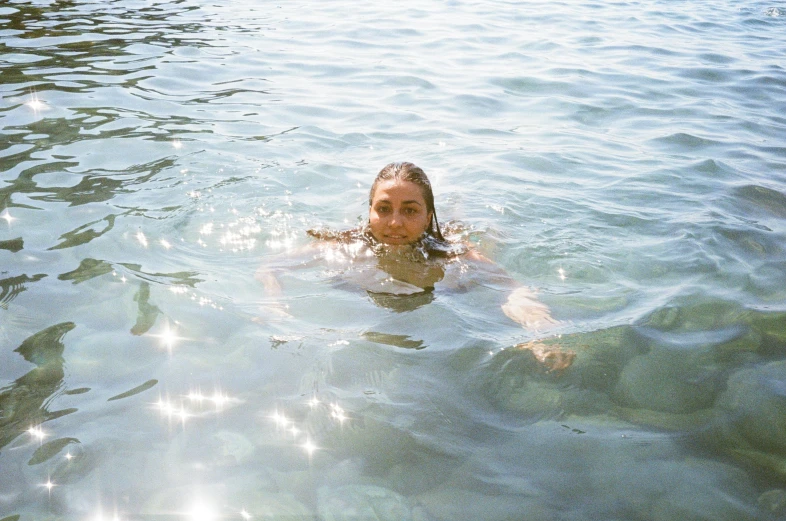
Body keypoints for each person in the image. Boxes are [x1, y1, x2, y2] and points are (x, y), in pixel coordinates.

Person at [257, 162, 573, 370]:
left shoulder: (454, 254)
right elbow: (271, 267)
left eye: (410, 211)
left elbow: (511, 290)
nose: (394, 223)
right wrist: (275, 305)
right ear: (369, 212)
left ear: (427, 216)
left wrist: (540, 333)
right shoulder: (344, 246)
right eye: (384, 209)